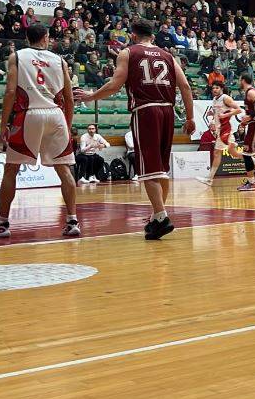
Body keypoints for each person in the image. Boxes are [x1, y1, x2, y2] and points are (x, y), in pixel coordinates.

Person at [75, 20, 195, 240]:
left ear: (132, 35)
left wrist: (91, 96)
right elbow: (186, 86)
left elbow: (115, 84)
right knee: (161, 169)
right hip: (168, 111)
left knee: (149, 169)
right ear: (153, 35)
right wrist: (190, 117)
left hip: (146, 110)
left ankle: (161, 216)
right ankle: (155, 217)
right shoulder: (168, 55)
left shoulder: (128, 52)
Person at [0, 24, 79, 238]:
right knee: (64, 169)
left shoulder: (17, 56)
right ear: (46, 37)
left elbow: (10, 92)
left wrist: (3, 126)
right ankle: (72, 222)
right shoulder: (59, 60)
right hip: (56, 114)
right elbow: (69, 98)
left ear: (26, 37)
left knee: (11, 169)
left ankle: (2, 223)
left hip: (30, 114)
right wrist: (67, 126)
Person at [196, 81, 244, 187]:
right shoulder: (214, 100)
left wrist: (225, 115)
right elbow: (219, 112)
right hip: (220, 130)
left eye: (217, 88)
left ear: (221, 88)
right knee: (233, 153)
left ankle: (209, 179)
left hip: (225, 130)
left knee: (217, 153)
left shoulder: (226, 98)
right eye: (213, 88)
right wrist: (213, 114)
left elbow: (239, 110)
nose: (214, 90)